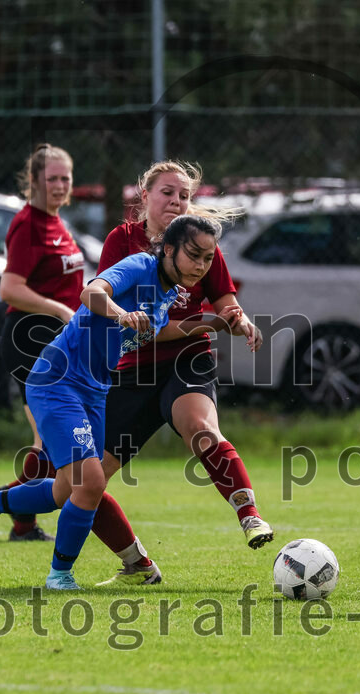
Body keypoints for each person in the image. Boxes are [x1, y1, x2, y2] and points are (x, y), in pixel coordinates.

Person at [0, 214, 240, 590]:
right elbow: (91, 293)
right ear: (168, 249)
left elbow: (161, 331)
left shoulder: (168, 294)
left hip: (95, 390)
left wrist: (213, 324)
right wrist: (123, 314)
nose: (201, 265)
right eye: (194, 254)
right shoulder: (140, 264)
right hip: (57, 380)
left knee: (64, 489)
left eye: (207, 259)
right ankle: (60, 574)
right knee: (90, 482)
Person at [90, 161, 266, 586]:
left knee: (200, 428)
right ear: (144, 195)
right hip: (134, 368)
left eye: (184, 195)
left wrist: (237, 318)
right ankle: (137, 565)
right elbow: (120, 309)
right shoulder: (123, 241)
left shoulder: (200, 240)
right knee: (85, 479)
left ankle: (250, 515)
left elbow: (225, 300)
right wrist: (208, 321)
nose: (176, 201)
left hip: (188, 359)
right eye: (167, 192)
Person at [0, 143, 84, 542]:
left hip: (58, 341)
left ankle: (16, 519)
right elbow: (10, 289)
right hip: (31, 338)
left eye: (66, 178)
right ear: (33, 182)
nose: (60, 185)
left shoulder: (56, 222)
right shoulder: (28, 223)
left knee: (46, 441)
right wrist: (60, 310)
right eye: (52, 179)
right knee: (52, 438)